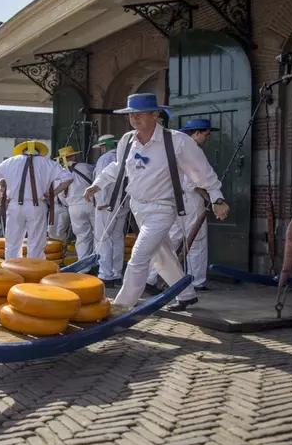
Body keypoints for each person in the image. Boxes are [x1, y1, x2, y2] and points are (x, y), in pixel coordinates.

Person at [84, 94, 229, 311]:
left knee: (139, 255)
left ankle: (122, 305)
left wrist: (217, 198)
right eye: (131, 114)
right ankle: (187, 295)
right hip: (137, 206)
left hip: (162, 208)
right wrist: (97, 184)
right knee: (163, 257)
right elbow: (117, 166)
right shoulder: (127, 140)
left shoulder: (177, 141)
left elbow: (203, 172)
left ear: (155, 115)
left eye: (139, 114)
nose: (134, 119)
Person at [146, 119, 217, 292]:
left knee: (170, 241)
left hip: (174, 200)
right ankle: (196, 281)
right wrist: (209, 197)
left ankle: (150, 277)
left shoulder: (171, 148)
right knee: (197, 241)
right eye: (206, 134)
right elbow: (191, 182)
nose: (206, 138)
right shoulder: (191, 150)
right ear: (197, 133)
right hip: (190, 201)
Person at [0, 141, 73, 259]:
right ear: (39, 151)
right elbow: (69, 177)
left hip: (15, 205)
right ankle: (34, 270)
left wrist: (0, 198)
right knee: (36, 243)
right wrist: (54, 193)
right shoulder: (47, 162)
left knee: (12, 242)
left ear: (22, 151)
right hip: (37, 206)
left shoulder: (10, 162)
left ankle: (12, 269)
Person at [92, 134, 129, 287]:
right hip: (123, 204)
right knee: (118, 239)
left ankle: (105, 275)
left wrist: (101, 202)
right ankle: (117, 273)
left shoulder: (105, 159)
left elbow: (102, 182)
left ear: (103, 146)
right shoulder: (125, 157)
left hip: (107, 205)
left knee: (104, 239)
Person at [56, 146, 96, 272]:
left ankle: (84, 267)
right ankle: (98, 263)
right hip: (90, 203)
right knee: (98, 234)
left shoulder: (60, 174)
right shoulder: (86, 167)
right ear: (73, 156)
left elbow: (61, 195)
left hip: (73, 207)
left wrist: (70, 204)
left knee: (82, 237)